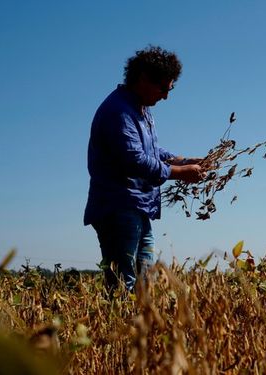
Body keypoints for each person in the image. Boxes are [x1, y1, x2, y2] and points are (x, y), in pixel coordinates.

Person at [83, 45, 205, 292]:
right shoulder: (118, 111)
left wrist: (182, 160)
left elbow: (152, 152)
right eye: (162, 89)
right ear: (143, 79)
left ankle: (137, 328)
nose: (165, 96)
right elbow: (134, 160)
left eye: (170, 89)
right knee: (123, 284)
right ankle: (119, 329)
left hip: (137, 206)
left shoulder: (141, 110)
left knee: (144, 284)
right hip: (118, 206)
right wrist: (180, 174)